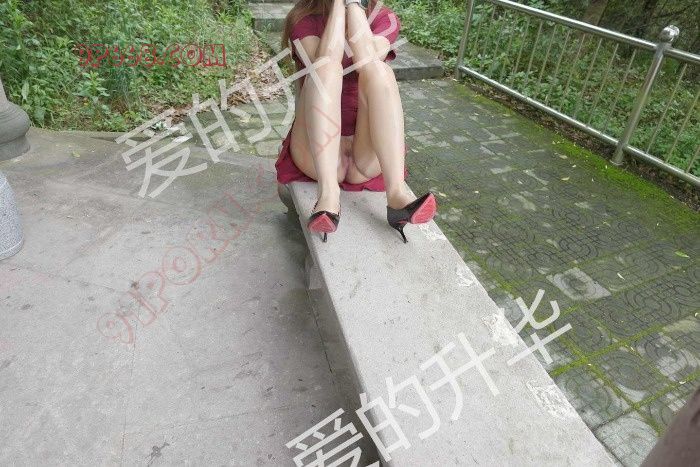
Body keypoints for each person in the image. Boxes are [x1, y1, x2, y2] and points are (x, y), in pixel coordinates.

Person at [275, 0, 437, 243]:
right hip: (316, 153)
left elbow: (366, 58)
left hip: (366, 156)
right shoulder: (303, 18)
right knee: (324, 68)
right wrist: (338, 5)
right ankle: (328, 194)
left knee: (380, 70)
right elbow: (326, 58)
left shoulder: (383, 18)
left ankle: (396, 194)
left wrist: (353, 4)